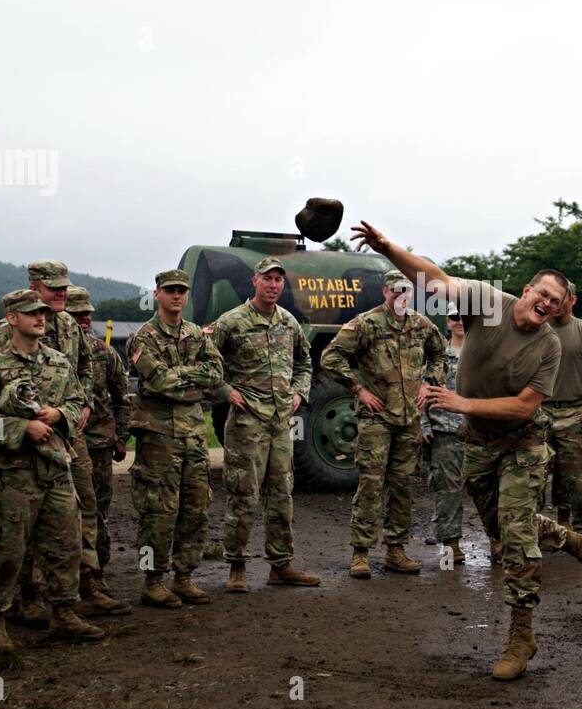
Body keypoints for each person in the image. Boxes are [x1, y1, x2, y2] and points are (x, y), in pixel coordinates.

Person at [349, 221, 582, 682]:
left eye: (554, 302)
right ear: (527, 290)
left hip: (523, 441)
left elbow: (527, 405)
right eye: (541, 294)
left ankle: (521, 634)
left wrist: (463, 403)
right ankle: (578, 543)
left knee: (516, 537)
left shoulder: (548, 346)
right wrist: (389, 249)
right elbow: (436, 281)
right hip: (478, 443)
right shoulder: (489, 303)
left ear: (559, 308)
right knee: (506, 527)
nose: (545, 304)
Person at [0, 289, 103, 650]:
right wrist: (19, 429)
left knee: (65, 544)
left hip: (56, 467)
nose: (40, 318)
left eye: (43, 313)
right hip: (14, 473)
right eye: (31, 313)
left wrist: (60, 416)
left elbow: (77, 402)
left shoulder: (58, 362)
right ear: (12, 318)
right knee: (6, 550)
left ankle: (63, 612)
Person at [321, 269, 446, 577]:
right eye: (395, 291)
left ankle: (396, 550)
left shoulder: (420, 324)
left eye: (406, 291)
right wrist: (358, 388)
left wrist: (429, 383)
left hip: (408, 420)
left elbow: (440, 353)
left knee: (403, 487)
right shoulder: (367, 324)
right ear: (385, 293)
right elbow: (331, 357)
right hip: (377, 418)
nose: (401, 296)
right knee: (370, 485)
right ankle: (361, 553)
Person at [209, 256, 320, 592]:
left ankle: (280, 565)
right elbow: (205, 363)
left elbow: (305, 363)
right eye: (267, 279)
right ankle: (236, 567)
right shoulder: (232, 322)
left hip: (280, 423)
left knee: (282, 495)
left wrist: (300, 393)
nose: (273, 285)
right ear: (254, 281)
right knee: (243, 495)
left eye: (278, 280)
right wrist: (226, 391)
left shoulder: (289, 323)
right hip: (246, 423)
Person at [129, 269, 234, 608]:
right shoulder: (144, 337)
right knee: (157, 511)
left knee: (196, 507)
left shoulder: (196, 334)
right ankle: (152, 579)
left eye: (181, 291)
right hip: (158, 438)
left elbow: (217, 373)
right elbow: (158, 381)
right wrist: (193, 381)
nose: (176, 296)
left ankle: (185, 576)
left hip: (193, 435)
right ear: (156, 294)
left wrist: (184, 379)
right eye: (169, 290)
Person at [66, 286, 131, 613]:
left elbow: (122, 399)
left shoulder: (104, 353)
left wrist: (121, 437)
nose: (85, 319)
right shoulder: (56, 353)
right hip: (65, 448)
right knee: (67, 516)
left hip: (100, 446)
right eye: (78, 314)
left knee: (98, 514)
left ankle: (97, 574)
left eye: (87, 313)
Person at [542, 281, 582, 534]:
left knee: (581, 479)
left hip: (574, 412)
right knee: (531, 479)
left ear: (572, 300)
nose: (555, 302)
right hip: (540, 412)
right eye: (551, 297)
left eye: (561, 297)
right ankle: (531, 534)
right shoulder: (536, 329)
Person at [421, 306, 467, 563]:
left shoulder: (483, 357)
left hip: (478, 432)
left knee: (489, 490)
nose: (460, 322)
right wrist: (423, 425)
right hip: (445, 431)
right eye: (454, 317)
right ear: (447, 322)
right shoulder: (437, 359)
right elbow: (422, 393)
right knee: (447, 491)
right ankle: (451, 547)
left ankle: (497, 542)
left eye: (465, 317)